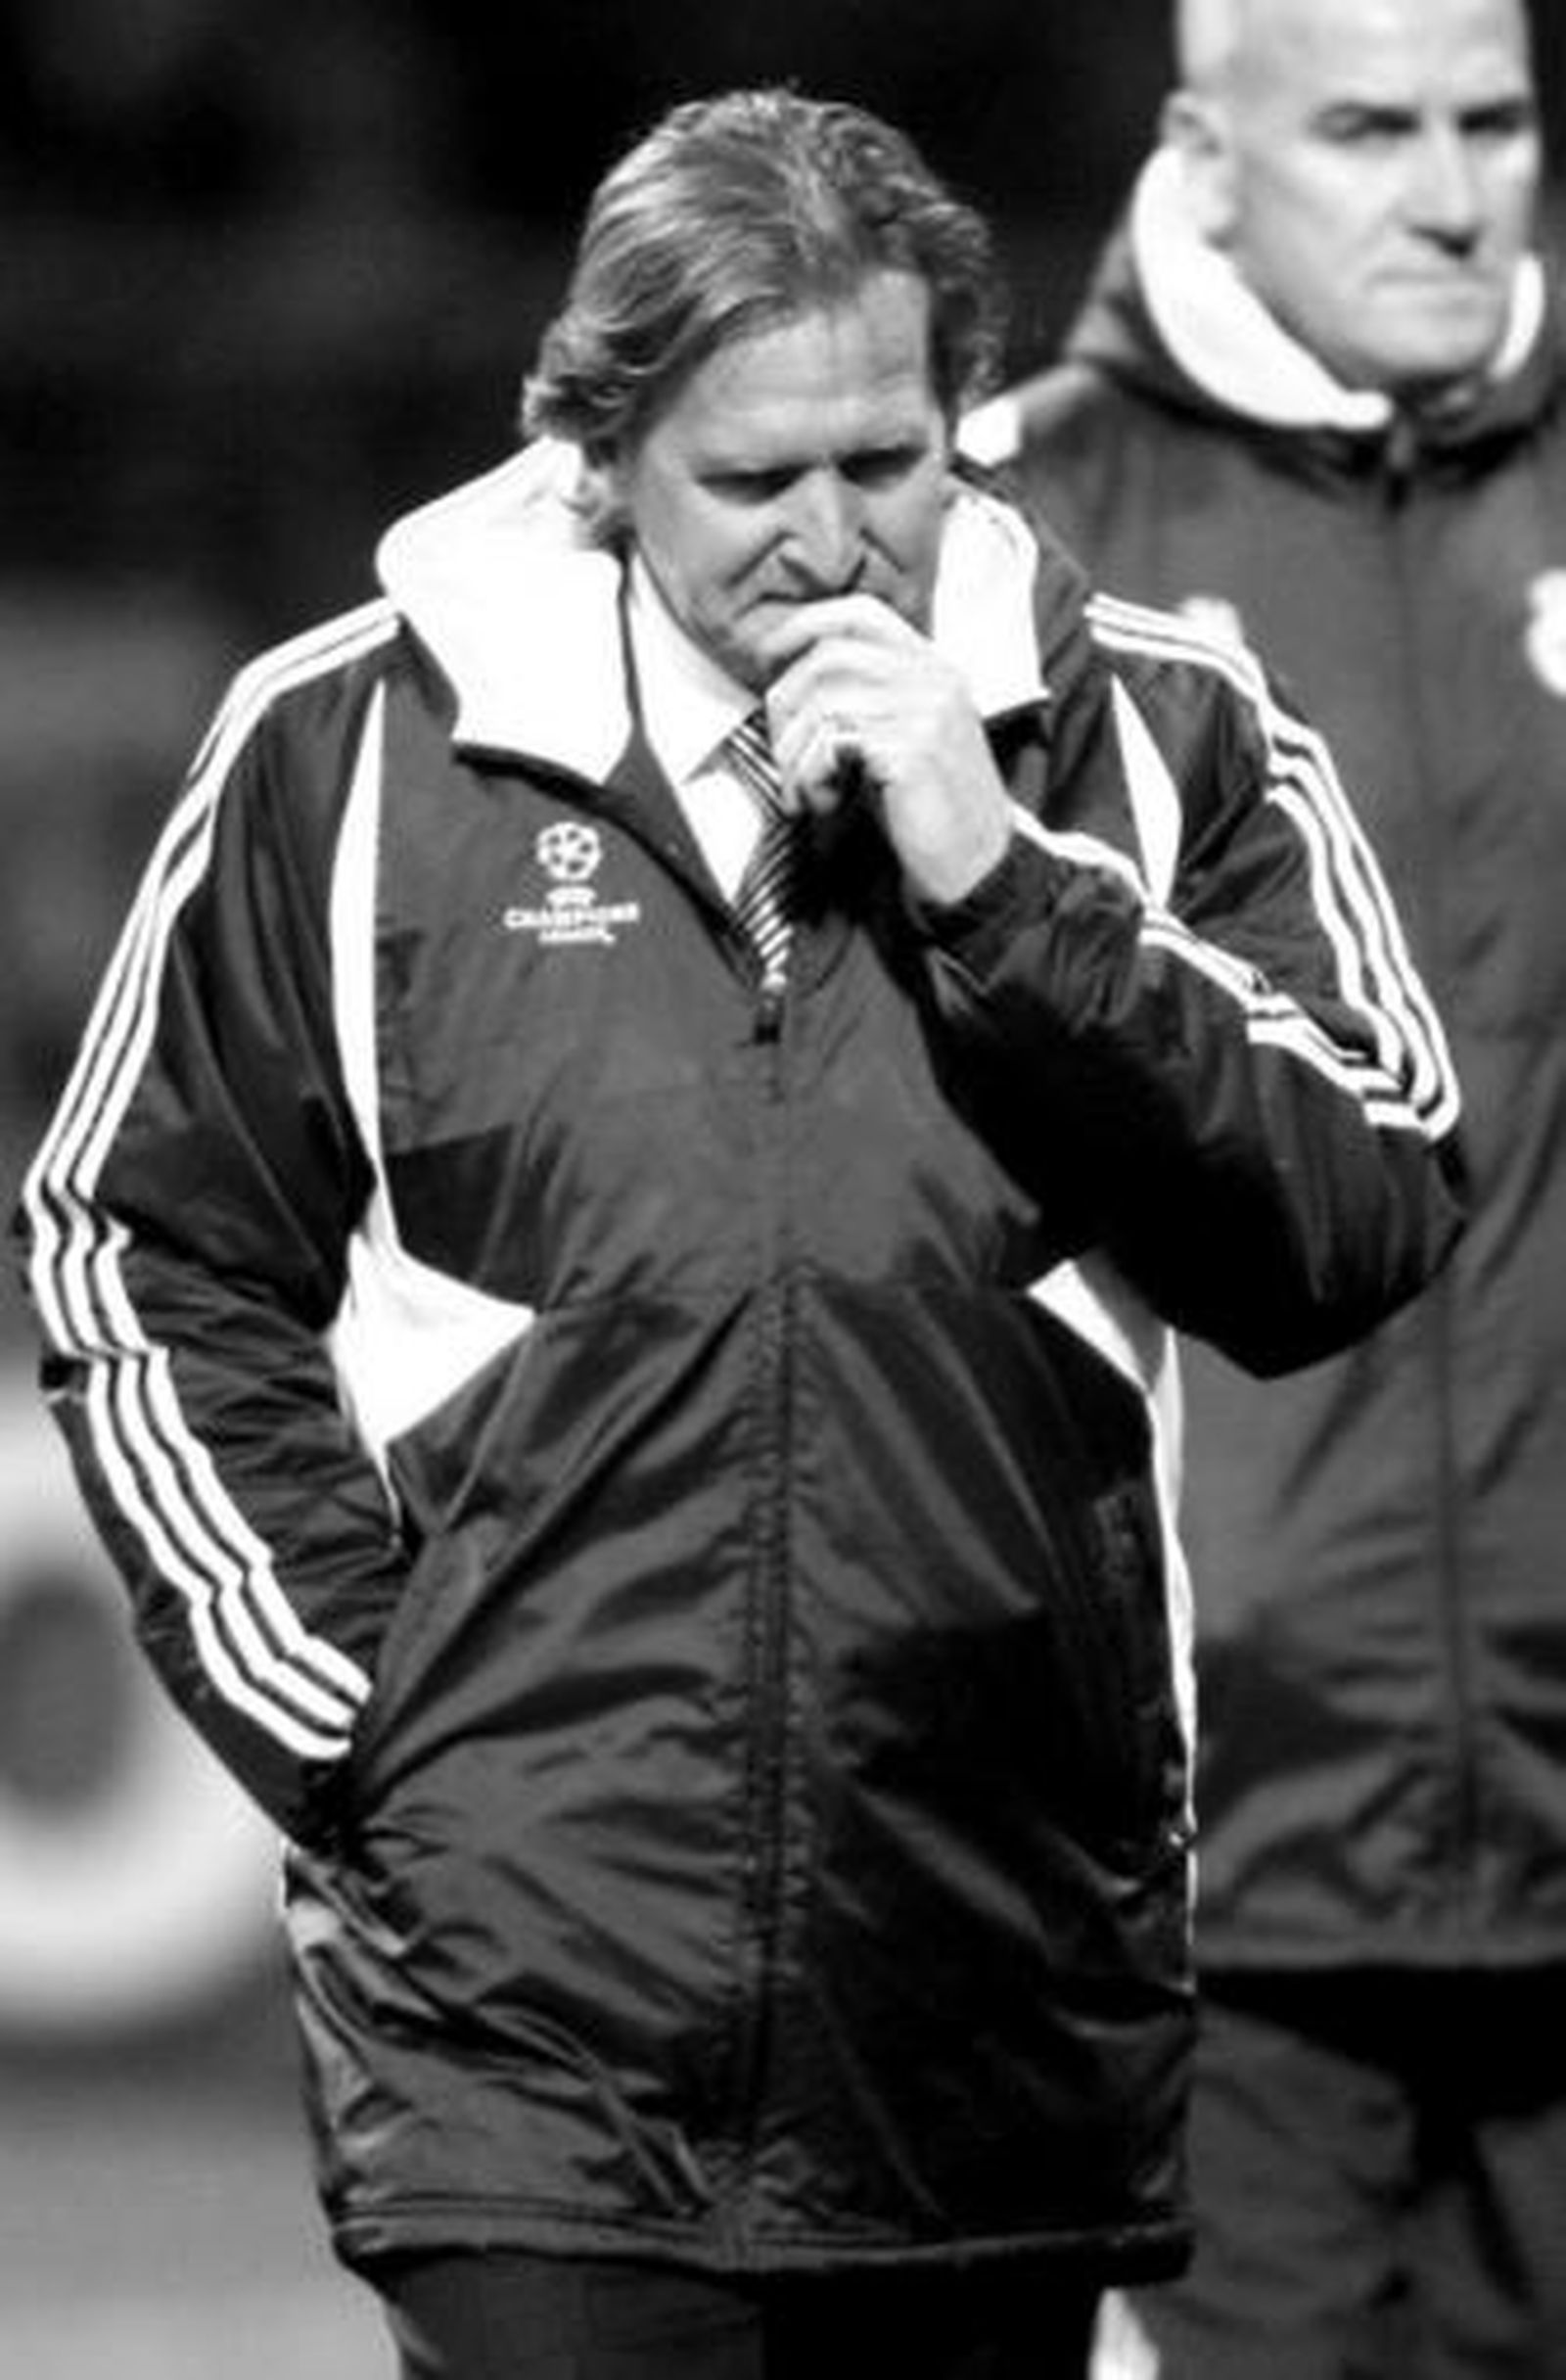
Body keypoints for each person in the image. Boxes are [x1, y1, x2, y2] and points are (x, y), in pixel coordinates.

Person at [15, 87, 1462, 2380]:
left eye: (884, 463)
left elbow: (1364, 1210)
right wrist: (382, 1730)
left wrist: (1011, 888)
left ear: (961, 424)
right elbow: (133, 1245)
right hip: (519, 2022)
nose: (830, 542)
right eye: (752, 481)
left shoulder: (1153, 742)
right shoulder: (346, 748)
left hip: (990, 1994)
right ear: (595, 454)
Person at [975, 0, 1566, 2372]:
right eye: (1363, 127)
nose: (1444, 187)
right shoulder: (1001, 540)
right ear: (1204, 160)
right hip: (1199, 1862)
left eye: (1491, 119)